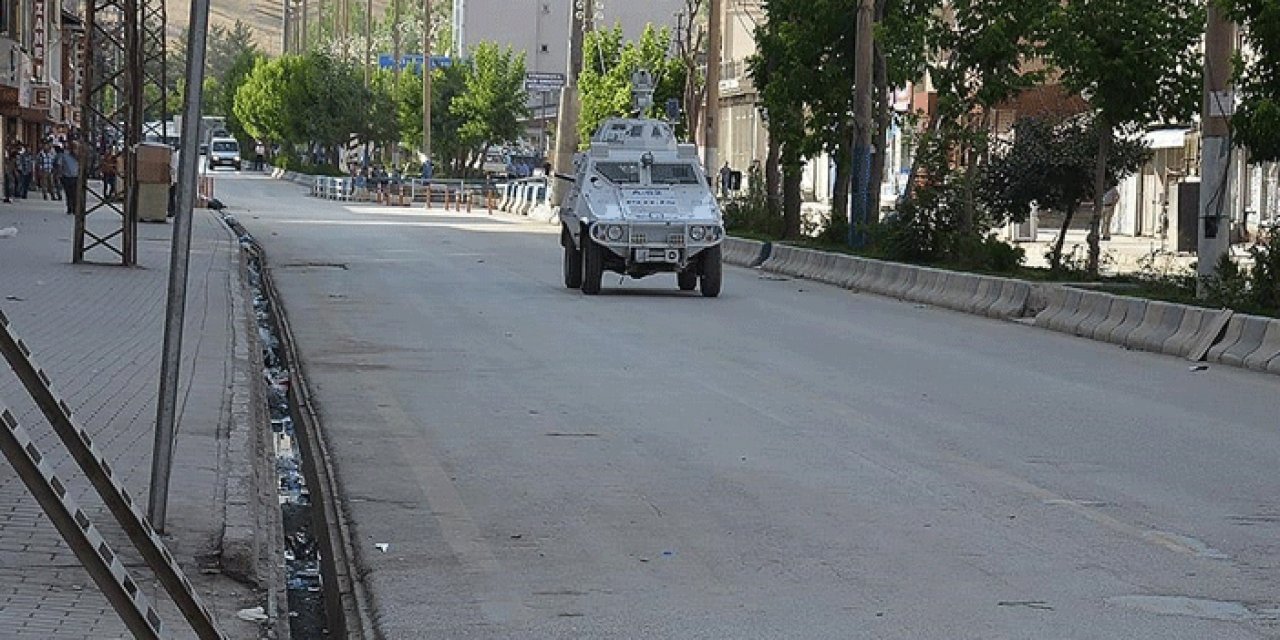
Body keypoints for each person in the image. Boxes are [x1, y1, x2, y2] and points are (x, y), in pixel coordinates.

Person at [57, 143, 79, 215]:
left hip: (76, 177)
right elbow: (59, 164)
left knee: (75, 194)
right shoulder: (64, 156)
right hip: (67, 177)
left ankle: (75, 208)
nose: (75, 150)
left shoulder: (78, 157)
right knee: (69, 194)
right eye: (74, 148)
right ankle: (70, 208)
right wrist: (60, 174)